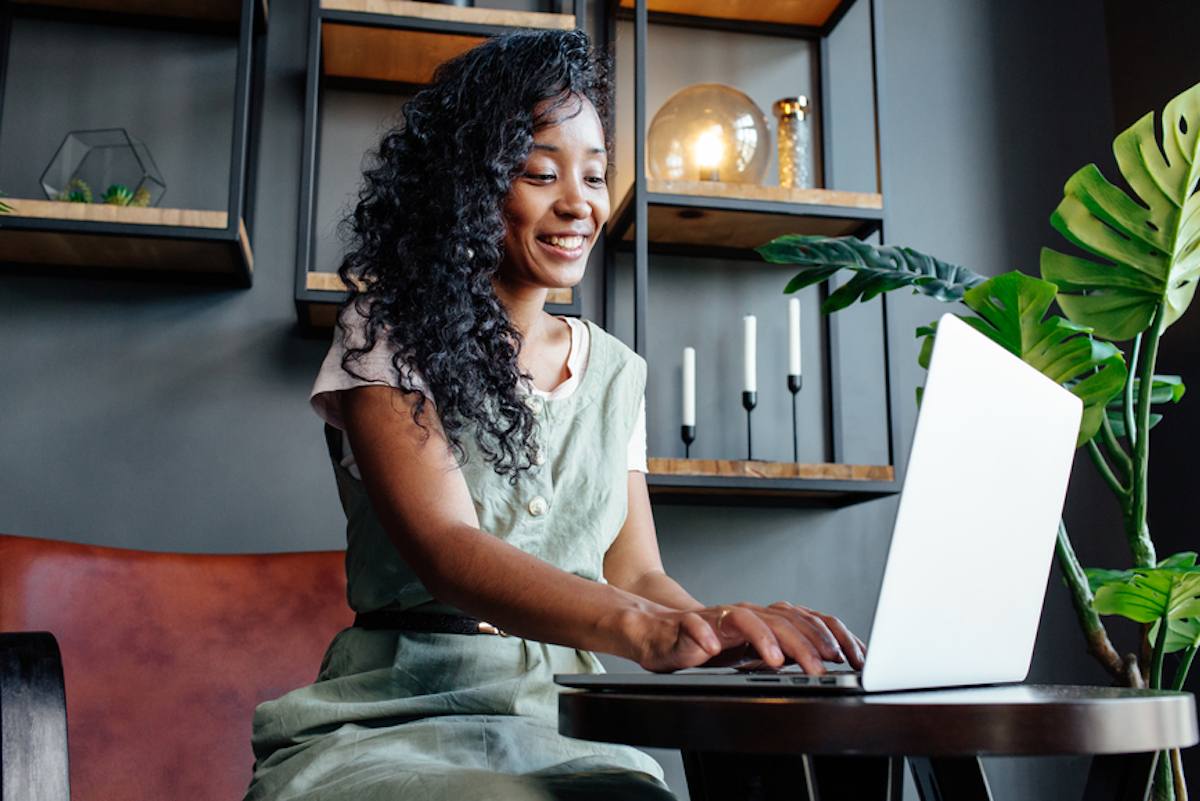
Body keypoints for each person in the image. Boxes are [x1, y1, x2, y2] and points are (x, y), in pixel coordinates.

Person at [243, 28, 865, 801]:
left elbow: (636, 571)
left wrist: (718, 626)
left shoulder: (617, 372)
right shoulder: (388, 333)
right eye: (541, 173)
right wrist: (643, 628)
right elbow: (445, 544)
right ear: (469, 187)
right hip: (392, 717)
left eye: (597, 176)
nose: (580, 203)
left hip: (569, 722)